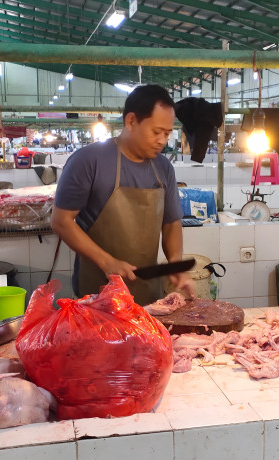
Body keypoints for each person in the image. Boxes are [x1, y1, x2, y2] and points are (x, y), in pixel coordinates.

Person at [51, 84, 195, 304]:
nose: (162, 141)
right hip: (96, 298)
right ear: (131, 121)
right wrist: (107, 262)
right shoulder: (88, 161)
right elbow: (61, 221)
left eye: (167, 133)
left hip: (148, 299)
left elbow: (171, 222)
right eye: (156, 132)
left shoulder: (164, 168)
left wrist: (175, 262)